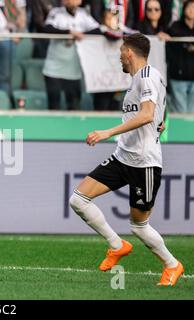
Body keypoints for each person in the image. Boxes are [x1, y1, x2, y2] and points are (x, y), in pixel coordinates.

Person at [68, 33, 184, 286]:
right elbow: (157, 115)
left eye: (121, 50)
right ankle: (116, 244)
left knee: (139, 226)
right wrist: (160, 124)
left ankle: (172, 265)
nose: (119, 55)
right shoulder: (137, 81)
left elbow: (146, 115)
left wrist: (106, 132)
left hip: (144, 163)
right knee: (78, 200)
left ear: (129, 52)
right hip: (123, 158)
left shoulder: (147, 76)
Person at [166, 0, 194, 113]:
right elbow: (170, 46)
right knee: (180, 112)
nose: (192, 10)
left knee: (192, 114)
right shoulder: (175, 27)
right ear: (184, 9)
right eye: (190, 7)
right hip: (178, 77)